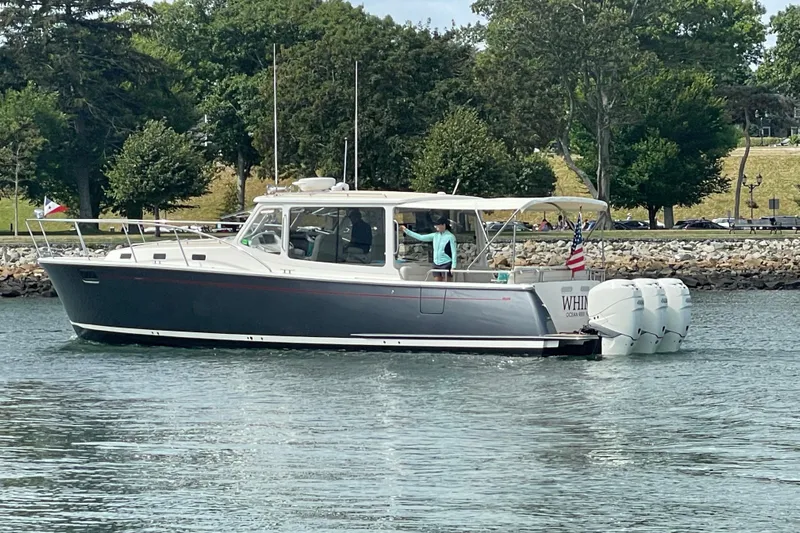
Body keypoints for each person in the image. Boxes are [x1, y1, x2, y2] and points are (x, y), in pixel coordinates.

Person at [399, 216, 457, 281]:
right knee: (437, 283)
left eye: (437, 225)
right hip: (436, 263)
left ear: (443, 225)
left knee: (447, 283)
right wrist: (406, 230)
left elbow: (454, 252)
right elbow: (421, 237)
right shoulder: (435, 235)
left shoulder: (451, 237)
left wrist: (453, 266)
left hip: (446, 263)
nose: (435, 227)